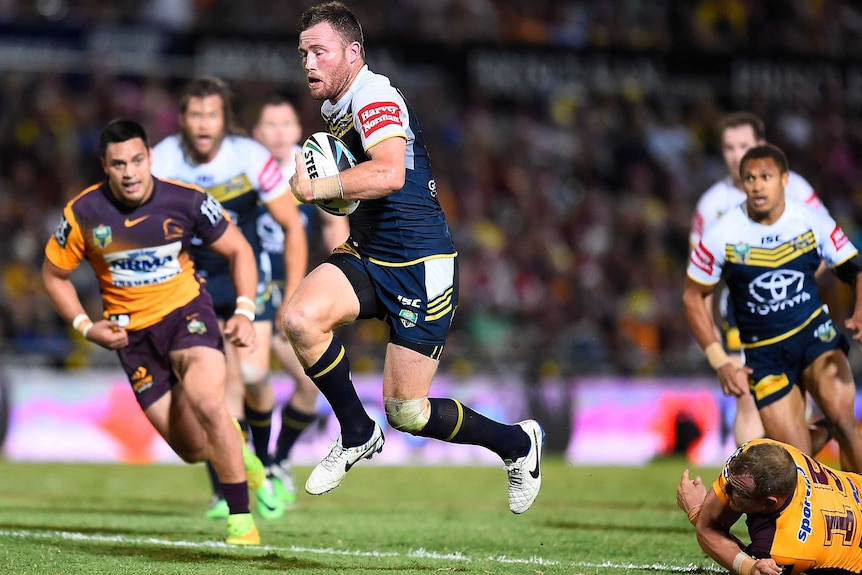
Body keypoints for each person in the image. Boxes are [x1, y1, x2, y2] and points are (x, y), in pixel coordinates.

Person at [282, 1, 543, 514]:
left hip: (421, 266)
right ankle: (357, 432)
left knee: (407, 411)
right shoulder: (333, 108)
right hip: (369, 254)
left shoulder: (374, 95)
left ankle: (517, 444)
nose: (308, 63)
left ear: (352, 53)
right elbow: (356, 193)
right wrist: (333, 204)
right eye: (303, 54)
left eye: (320, 52)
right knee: (300, 318)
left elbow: (389, 173)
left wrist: (319, 188)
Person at [41, 119, 263, 545]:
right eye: (119, 164)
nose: (130, 172)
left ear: (150, 158)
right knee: (193, 450)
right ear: (104, 166)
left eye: (138, 160)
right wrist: (86, 328)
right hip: (134, 340)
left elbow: (239, 249)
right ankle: (236, 445)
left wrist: (245, 311)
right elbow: (53, 276)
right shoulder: (83, 214)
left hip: (187, 317)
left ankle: (241, 522)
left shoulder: (187, 200)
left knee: (208, 403)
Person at [151, 77, 308, 521]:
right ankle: (226, 488)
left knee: (255, 374)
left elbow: (293, 227)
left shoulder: (250, 158)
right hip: (192, 283)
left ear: (225, 120)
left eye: (211, 115)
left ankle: (267, 465)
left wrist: (291, 294)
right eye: (195, 114)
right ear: (183, 119)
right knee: (211, 386)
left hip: (244, 277)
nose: (203, 124)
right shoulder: (163, 161)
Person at [683, 143, 862, 472]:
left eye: (765, 176)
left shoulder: (811, 221)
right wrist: (719, 360)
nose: (757, 185)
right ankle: (821, 444)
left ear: (784, 179)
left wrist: (860, 310)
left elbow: (855, 269)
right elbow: (693, 295)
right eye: (749, 178)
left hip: (814, 336)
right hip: (765, 355)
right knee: (795, 462)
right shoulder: (721, 235)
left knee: (846, 426)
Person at [689, 112, 825, 447]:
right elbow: (699, 279)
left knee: (795, 404)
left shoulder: (796, 188)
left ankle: (795, 481)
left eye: (744, 145)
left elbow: (827, 245)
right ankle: (744, 488)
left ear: (761, 145)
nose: (737, 155)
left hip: (794, 309)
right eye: (729, 148)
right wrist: (710, 342)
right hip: (741, 314)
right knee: (748, 400)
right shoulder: (711, 205)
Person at [252, 93, 350, 509]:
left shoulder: (311, 169)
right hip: (243, 294)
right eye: (268, 125)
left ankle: (277, 459)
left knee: (309, 383)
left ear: (297, 130)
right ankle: (244, 473)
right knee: (248, 380)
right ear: (256, 133)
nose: (277, 133)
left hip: (288, 293)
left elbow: (335, 228)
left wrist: (345, 282)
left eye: (285, 124)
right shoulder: (241, 169)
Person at [676, 438, 862, 575]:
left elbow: (736, 556)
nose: (725, 489)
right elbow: (711, 525)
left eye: (738, 492)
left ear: (769, 502)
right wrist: (704, 517)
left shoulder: (784, 549)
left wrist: (696, 512)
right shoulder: (754, 451)